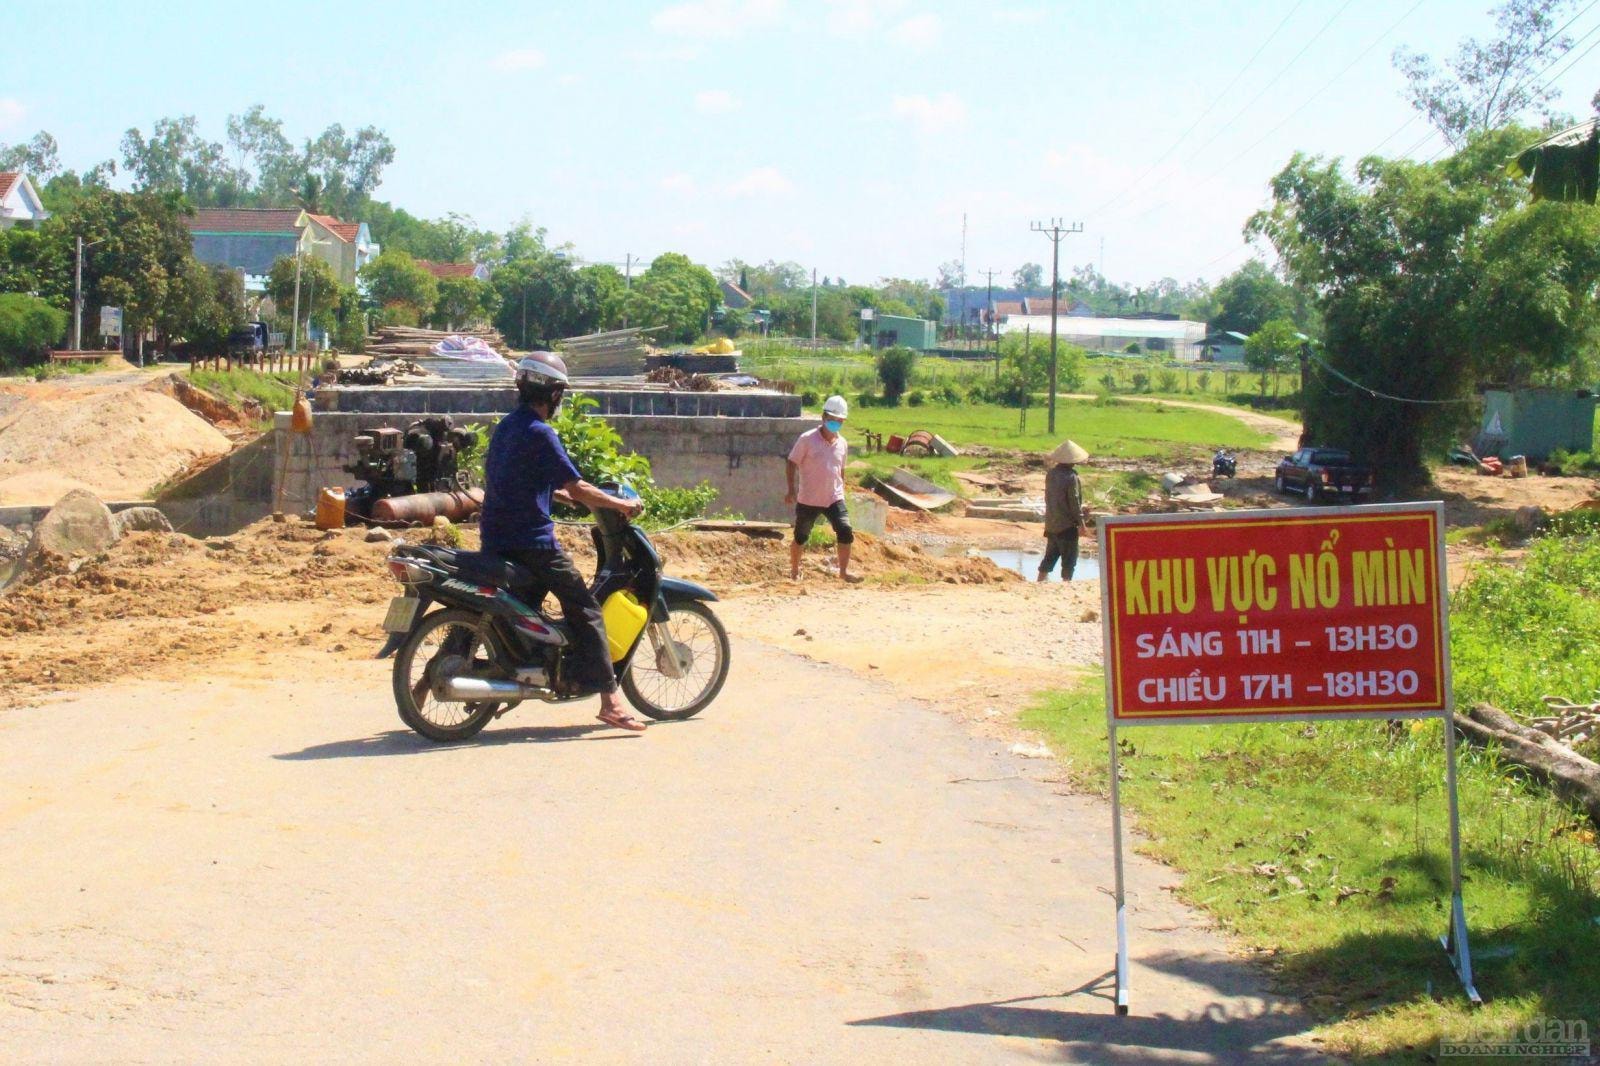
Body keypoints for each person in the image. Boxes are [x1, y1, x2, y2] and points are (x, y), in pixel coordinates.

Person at [479, 351, 649, 732]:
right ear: (553, 394)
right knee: (586, 608)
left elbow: (524, 481)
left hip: (496, 537)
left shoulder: (508, 427)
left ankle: (526, 666)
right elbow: (578, 485)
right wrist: (620, 504)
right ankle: (610, 699)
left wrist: (563, 497)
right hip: (531, 542)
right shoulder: (541, 432)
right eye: (560, 394)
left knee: (528, 605)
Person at [785, 394, 860, 583]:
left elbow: (840, 470)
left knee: (845, 530)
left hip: (834, 498)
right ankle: (794, 570)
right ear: (823, 417)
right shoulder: (807, 439)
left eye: (839, 420)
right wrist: (791, 490)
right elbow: (791, 463)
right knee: (801, 537)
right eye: (832, 419)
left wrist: (841, 490)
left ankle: (843, 572)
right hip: (808, 499)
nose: (835, 423)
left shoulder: (842, 444)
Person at [1040, 439, 1090, 582]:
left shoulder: (1050, 474)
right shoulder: (1071, 477)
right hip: (1067, 526)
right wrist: (1082, 523)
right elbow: (1074, 502)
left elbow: (1050, 498)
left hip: (1052, 523)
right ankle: (1066, 584)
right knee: (1069, 560)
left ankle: (1040, 581)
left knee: (1049, 556)